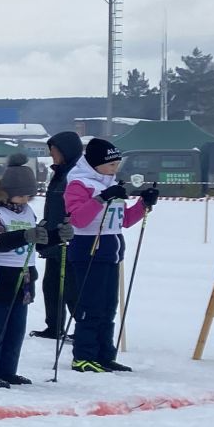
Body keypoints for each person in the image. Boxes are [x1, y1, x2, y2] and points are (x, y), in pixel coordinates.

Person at [63, 138, 154, 374]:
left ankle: (105, 354)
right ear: (95, 164)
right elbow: (78, 219)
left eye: (117, 164)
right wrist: (101, 198)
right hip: (88, 249)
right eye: (111, 164)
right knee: (91, 306)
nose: (115, 169)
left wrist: (143, 203)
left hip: (111, 251)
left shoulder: (111, 184)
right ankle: (83, 356)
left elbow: (122, 220)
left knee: (108, 307)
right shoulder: (79, 183)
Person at [0, 154, 45, 388]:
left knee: (16, 326)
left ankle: (7, 369)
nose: (25, 199)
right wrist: (26, 235)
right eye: (21, 194)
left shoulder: (27, 212)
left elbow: (36, 240)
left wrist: (53, 237)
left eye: (29, 195)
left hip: (24, 274)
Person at [33, 131, 83, 339]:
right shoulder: (60, 172)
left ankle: (83, 327)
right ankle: (54, 326)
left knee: (71, 289)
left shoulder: (76, 174)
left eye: (54, 151)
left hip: (69, 239)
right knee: (51, 286)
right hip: (54, 238)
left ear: (66, 151)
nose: (51, 155)